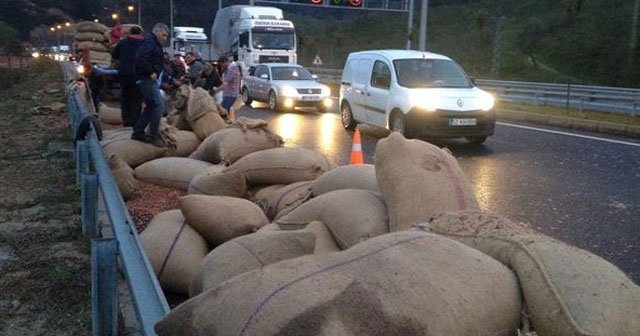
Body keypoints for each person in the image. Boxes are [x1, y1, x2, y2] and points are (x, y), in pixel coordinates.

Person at [131, 23, 170, 147]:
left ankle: (138, 131)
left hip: (146, 78)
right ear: (157, 31)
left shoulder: (151, 42)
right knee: (158, 105)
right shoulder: (150, 42)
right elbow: (140, 58)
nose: (164, 39)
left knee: (150, 106)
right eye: (163, 35)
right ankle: (154, 135)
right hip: (146, 79)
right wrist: (151, 71)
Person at [112, 26, 144, 127]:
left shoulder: (122, 43)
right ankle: (135, 121)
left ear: (130, 32)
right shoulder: (143, 43)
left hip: (124, 74)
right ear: (140, 34)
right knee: (137, 98)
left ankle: (126, 120)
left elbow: (114, 54)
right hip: (138, 75)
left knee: (125, 97)